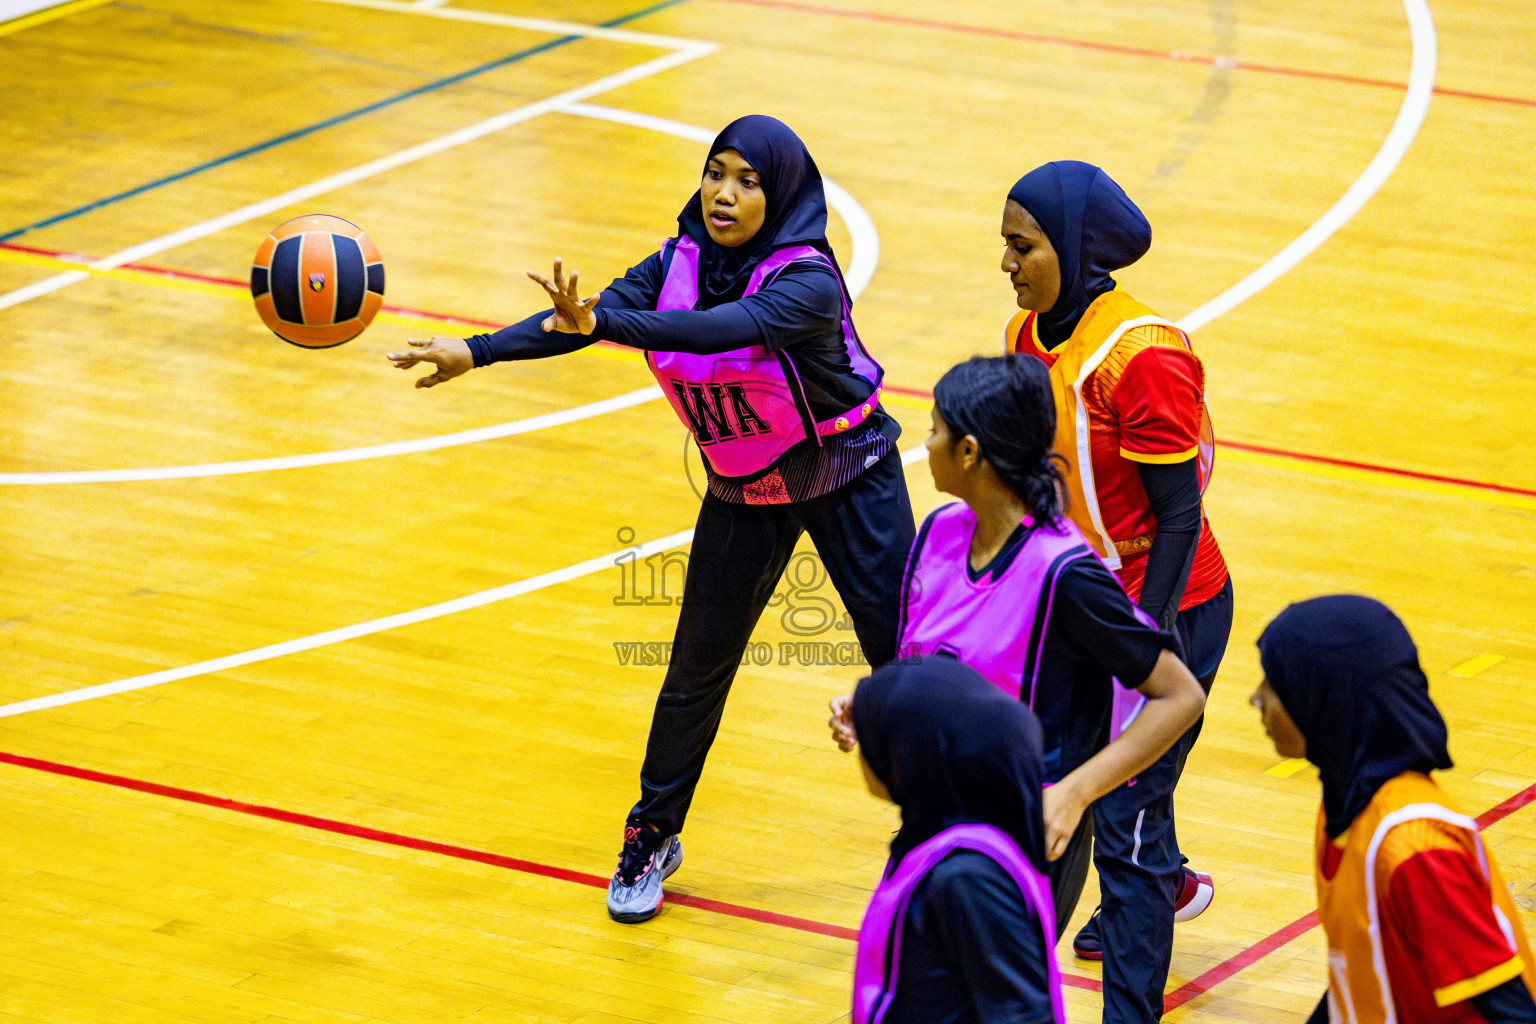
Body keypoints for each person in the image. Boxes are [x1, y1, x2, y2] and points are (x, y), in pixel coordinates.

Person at [388, 115, 914, 924]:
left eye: (747, 180)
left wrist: (605, 326)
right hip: (746, 485)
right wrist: (478, 350)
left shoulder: (806, 279)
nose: (724, 194)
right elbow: (582, 318)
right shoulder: (676, 263)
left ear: (780, 196)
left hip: (847, 473)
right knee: (696, 667)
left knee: (903, 662)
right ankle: (652, 832)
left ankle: (958, 825)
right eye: (715, 173)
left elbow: (714, 333)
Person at [831, 354, 1206, 1024]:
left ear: (971, 452)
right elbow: (928, 667)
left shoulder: (1064, 574)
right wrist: (879, 710)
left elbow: (1180, 697)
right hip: (936, 815)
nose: (925, 442)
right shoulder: (941, 534)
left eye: (937, 429)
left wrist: (1076, 793)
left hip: (1022, 834)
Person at [999, 161, 1233, 960]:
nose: (1006, 263)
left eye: (1022, 246)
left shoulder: (1145, 356)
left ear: (1073, 248)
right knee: (1071, 771)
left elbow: (1178, 512)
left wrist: (1147, 639)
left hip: (1170, 603)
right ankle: (1152, 882)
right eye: (1005, 245)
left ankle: (1140, 911)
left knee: (1131, 790)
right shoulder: (1024, 335)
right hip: (1085, 602)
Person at [1252, 595, 1536, 1024]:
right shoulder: (1342, 810)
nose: (1255, 699)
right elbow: (1360, 975)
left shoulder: (1415, 848)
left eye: (1275, 684)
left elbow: (1512, 1013)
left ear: (1324, 698)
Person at [849, 657, 1066, 1024]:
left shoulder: (967, 879)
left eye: (877, 734)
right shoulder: (935, 842)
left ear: (914, 757)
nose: (863, 746)